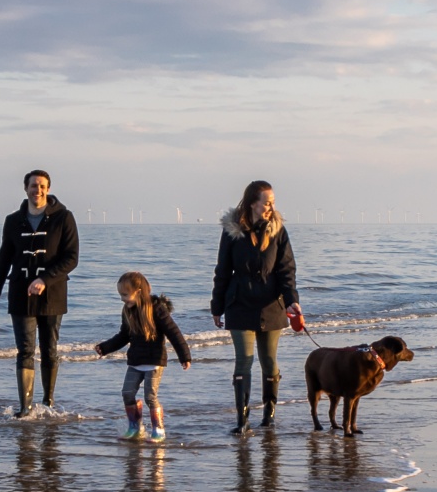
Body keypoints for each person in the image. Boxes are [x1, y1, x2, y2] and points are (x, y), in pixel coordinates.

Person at [210, 179, 305, 433]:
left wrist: (292, 301)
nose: (270, 207)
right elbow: (222, 270)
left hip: (272, 307)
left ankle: (269, 417)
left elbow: (287, 270)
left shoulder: (278, 231)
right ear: (253, 203)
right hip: (239, 304)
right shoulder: (232, 232)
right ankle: (242, 422)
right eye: (266, 202)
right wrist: (216, 306)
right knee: (244, 361)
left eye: (273, 203)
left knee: (269, 362)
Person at [0, 168, 79, 415]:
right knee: (25, 350)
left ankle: (48, 403)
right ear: (25, 189)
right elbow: (3, 259)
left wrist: (45, 279)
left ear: (48, 189)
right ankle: (25, 409)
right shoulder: (13, 221)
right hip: (20, 293)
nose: (38, 190)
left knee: (49, 350)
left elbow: (71, 258)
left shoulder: (64, 217)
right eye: (34, 185)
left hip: (53, 294)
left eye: (42, 186)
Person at [94, 270, 194, 442]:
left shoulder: (157, 309)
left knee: (150, 396)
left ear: (138, 292)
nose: (122, 299)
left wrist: (184, 356)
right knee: (127, 393)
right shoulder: (127, 310)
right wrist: (105, 348)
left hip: (154, 361)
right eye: (120, 295)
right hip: (135, 361)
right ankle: (135, 427)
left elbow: (174, 333)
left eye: (125, 294)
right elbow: (123, 336)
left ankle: (158, 430)